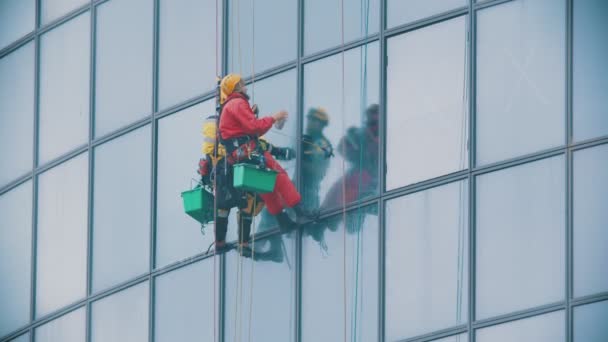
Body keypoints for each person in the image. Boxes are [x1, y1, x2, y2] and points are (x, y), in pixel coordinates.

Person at [218, 74, 317, 229]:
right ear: (237, 87)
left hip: (239, 155)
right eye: (243, 84)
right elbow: (255, 127)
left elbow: (248, 130)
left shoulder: (229, 107)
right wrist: (273, 118)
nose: (245, 86)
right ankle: (301, 213)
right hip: (248, 150)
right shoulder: (237, 103)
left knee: (265, 185)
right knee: (280, 176)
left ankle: (282, 220)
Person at [199, 114, 296, 251]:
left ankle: (220, 244)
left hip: (222, 182)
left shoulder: (210, 150)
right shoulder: (235, 136)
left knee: (222, 209)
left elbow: (206, 172)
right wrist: (282, 152)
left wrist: (205, 176)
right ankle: (243, 243)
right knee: (247, 204)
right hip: (237, 176)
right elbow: (259, 146)